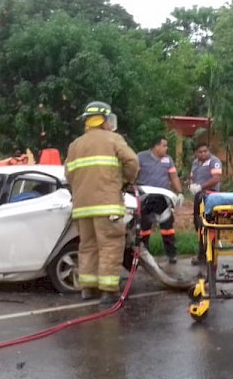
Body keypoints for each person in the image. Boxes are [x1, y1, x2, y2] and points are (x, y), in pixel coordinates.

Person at [64, 101, 139, 306]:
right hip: (107, 205)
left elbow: (68, 175)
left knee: (87, 246)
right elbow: (132, 162)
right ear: (105, 119)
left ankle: (88, 288)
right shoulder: (113, 139)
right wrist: (125, 180)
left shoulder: (75, 145)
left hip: (81, 207)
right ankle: (108, 291)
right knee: (110, 246)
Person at [137, 137, 184, 264]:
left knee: (167, 226)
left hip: (163, 198)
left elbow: (173, 177)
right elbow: (133, 174)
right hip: (145, 198)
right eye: (164, 145)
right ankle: (143, 256)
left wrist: (179, 193)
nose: (166, 148)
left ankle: (172, 254)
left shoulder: (168, 160)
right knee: (144, 227)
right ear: (156, 146)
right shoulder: (140, 157)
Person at [189, 144, 223, 265]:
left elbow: (216, 178)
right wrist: (192, 185)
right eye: (200, 152)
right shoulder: (195, 163)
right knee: (198, 224)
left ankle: (211, 253)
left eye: (205, 151)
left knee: (209, 223)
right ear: (196, 153)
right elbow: (192, 178)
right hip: (199, 196)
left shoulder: (214, 162)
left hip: (210, 196)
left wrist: (200, 186)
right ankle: (202, 254)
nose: (203, 154)